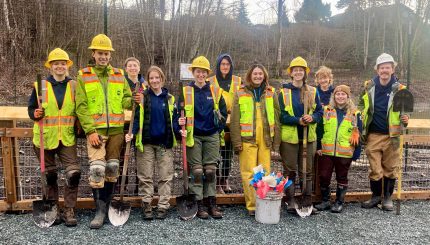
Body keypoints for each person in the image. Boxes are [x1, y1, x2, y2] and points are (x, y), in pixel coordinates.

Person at [75, 34, 138, 229]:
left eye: (106, 53)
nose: (103, 56)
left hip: (117, 131)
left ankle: (108, 204)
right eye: (100, 53)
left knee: (111, 168)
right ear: (93, 54)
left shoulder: (119, 75)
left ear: (110, 55)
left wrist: (133, 100)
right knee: (97, 169)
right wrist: (90, 131)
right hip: (96, 132)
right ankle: (99, 210)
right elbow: (81, 106)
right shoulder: (83, 75)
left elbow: (126, 100)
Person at [27, 48, 80, 226]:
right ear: (50, 66)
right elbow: (31, 110)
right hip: (45, 137)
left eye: (63, 63)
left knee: (73, 174)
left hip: (66, 137)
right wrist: (35, 114)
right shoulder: (40, 85)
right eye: (56, 63)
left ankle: (69, 209)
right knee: (49, 175)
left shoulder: (74, 85)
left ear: (67, 66)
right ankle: (52, 208)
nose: (59, 66)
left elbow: (80, 108)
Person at [177, 56, 227, 219]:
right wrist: (179, 123)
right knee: (197, 172)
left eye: (203, 72)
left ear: (207, 73)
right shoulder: (186, 91)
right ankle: (198, 203)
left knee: (211, 171)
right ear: (193, 72)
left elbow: (224, 114)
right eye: (198, 71)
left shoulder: (215, 91)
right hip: (194, 136)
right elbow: (178, 114)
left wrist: (217, 126)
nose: (200, 74)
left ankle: (211, 202)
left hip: (211, 136)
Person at [125, 66, 178, 220]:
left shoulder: (170, 99)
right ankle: (146, 204)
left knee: (165, 176)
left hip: (164, 144)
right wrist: (132, 133)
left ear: (162, 79)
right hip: (146, 143)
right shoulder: (142, 97)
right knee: (145, 176)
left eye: (157, 78)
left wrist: (180, 129)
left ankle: (163, 206)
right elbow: (136, 118)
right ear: (148, 81)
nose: (155, 80)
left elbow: (173, 121)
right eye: (152, 78)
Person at [360, 53, 409, 211]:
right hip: (373, 135)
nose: (384, 70)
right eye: (382, 68)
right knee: (375, 168)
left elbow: (406, 112)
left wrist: (406, 119)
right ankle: (375, 197)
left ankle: (387, 198)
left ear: (393, 69)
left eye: (388, 67)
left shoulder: (401, 89)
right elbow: (362, 106)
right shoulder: (369, 86)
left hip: (392, 137)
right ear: (377, 70)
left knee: (390, 167)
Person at [230, 64, 281, 216]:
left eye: (260, 74)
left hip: (265, 139)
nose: (258, 76)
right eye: (255, 74)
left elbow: (277, 117)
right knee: (248, 173)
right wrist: (237, 142)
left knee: (265, 173)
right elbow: (234, 120)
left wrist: (276, 141)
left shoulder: (272, 93)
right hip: (247, 140)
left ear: (264, 76)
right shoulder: (240, 93)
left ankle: (263, 202)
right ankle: (252, 206)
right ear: (249, 76)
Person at [278, 56, 323, 214]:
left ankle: (306, 200)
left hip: (308, 138)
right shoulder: (283, 92)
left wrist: (312, 118)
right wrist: (298, 120)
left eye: (301, 70)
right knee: (290, 170)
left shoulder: (312, 91)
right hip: (290, 138)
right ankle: (289, 201)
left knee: (307, 171)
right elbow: (281, 116)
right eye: (295, 70)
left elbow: (319, 112)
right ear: (291, 73)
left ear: (305, 73)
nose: (298, 72)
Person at [314, 85, 362, 213]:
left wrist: (356, 153)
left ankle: (339, 202)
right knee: (324, 176)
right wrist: (318, 146)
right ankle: (325, 201)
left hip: (345, 153)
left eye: (343, 94)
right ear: (334, 96)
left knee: (342, 176)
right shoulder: (326, 110)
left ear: (348, 96)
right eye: (338, 94)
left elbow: (359, 134)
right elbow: (319, 130)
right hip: (327, 151)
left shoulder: (355, 114)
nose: (340, 96)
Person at [207, 54, 242, 194]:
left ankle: (224, 179)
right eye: (222, 64)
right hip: (216, 122)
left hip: (231, 123)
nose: (225, 67)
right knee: (215, 154)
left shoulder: (237, 81)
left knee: (228, 155)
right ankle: (216, 182)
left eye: (227, 64)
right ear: (218, 65)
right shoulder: (211, 81)